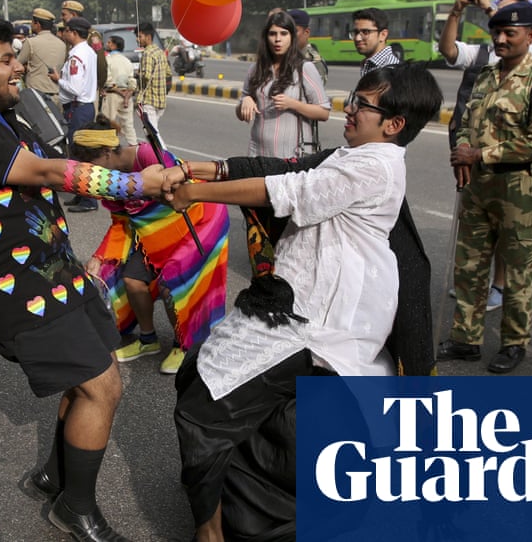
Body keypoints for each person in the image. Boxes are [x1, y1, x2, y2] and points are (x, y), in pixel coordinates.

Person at [165, 64, 442, 542]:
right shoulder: (354, 153)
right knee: (205, 379)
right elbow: (281, 168)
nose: (349, 108)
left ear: (394, 124)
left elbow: (287, 190)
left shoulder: (372, 164)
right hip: (300, 308)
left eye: (363, 104)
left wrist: (196, 193)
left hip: (316, 323)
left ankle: (209, 534)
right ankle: (244, 509)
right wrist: (200, 169)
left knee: (202, 407)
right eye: (353, 98)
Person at [0, 16, 170, 541]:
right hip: (20, 292)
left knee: (91, 375)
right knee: (102, 387)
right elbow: (47, 172)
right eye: (6, 60)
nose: (20, 67)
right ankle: (75, 509)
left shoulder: (2, 117)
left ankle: (54, 477)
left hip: (59, 274)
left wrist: (154, 163)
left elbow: (65, 158)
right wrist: (134, 181)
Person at [437, 1, 532, 374]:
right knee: (469, 266)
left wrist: (479, 154)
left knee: (517, 269)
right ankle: (466, 339)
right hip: (477, 187)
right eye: (497, 32)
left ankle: (514, 342)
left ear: (531, 36)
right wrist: (462, 152)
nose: (501, 39)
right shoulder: (486, 76)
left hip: (519, 189)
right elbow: (465, 120)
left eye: (511, 33)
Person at [72, 116, 230, 374]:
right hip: (156, 236)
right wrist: (99, 257)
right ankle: (148, 340)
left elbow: (178, 194)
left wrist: (148, 184)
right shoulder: (108, 182)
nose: (90, 175)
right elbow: (121, 224)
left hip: (199, 222)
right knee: (132, 279)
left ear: (106, 152)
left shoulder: (148, 155)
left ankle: (183, 345)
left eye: (91, 165)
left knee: (174, 282)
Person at [236, 10, 331, 159]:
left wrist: (293, 104)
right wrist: (245, 101)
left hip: (293, 157)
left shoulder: (305, 68)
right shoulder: (255, 69)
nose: (277, 39)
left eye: (284, 34)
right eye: (272, 34)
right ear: (266, 37)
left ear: (292, 37)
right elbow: (241, 114)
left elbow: (324, 112)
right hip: (258, 154)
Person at [51, 17, 100, 213]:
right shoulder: (88, 51)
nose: (64, 34)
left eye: (66, 31)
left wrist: (58, 79)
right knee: (80, 154)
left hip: (78, 108)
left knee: (80, 155)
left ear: (72, 32)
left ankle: (88, 200)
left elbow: (75, 87)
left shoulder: (76, 56)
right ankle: (81, 196)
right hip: (84, 107)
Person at [17, 8, 67, 103]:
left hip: (36, 96)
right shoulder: (62, 44)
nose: (31, 25)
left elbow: (17, 64)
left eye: (32, 22)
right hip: (56, 96)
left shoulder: (31, 42)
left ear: (38, 24)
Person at [100, 35, 137, 145]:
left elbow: (108, 80)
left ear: (114, 45)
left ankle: (109, 147)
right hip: (127, 95)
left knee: (108, 123)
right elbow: (132, 80)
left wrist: (116, 90)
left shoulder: (108, 60)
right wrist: (127, 94)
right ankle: (134, 147)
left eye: (109, 42)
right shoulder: (127, 61)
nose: (107, 44)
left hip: (112, 95)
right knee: (128, 125)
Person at [136, 22, 171, 131]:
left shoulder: (147, 53)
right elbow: (168, 73)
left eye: (140, 36)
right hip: (161, 101)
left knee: (153, 135)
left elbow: (146, 76)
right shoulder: (160, 52)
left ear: (148, 37)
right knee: (152, 133)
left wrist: (137, 74)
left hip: (149, 101)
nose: (138, 39)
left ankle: (162, 149)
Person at [287, 8, 330, 90]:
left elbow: (315, 96)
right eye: (287, 32)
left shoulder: (313, 61)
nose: (290, 36)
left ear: (306, 32)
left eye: (294, 31)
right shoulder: (285, 56)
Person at [352, 7, 399, 75]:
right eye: (356, 32)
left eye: (366, 32)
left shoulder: (390, 69)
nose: (357, 38)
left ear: (383, 35)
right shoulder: (369, 64)